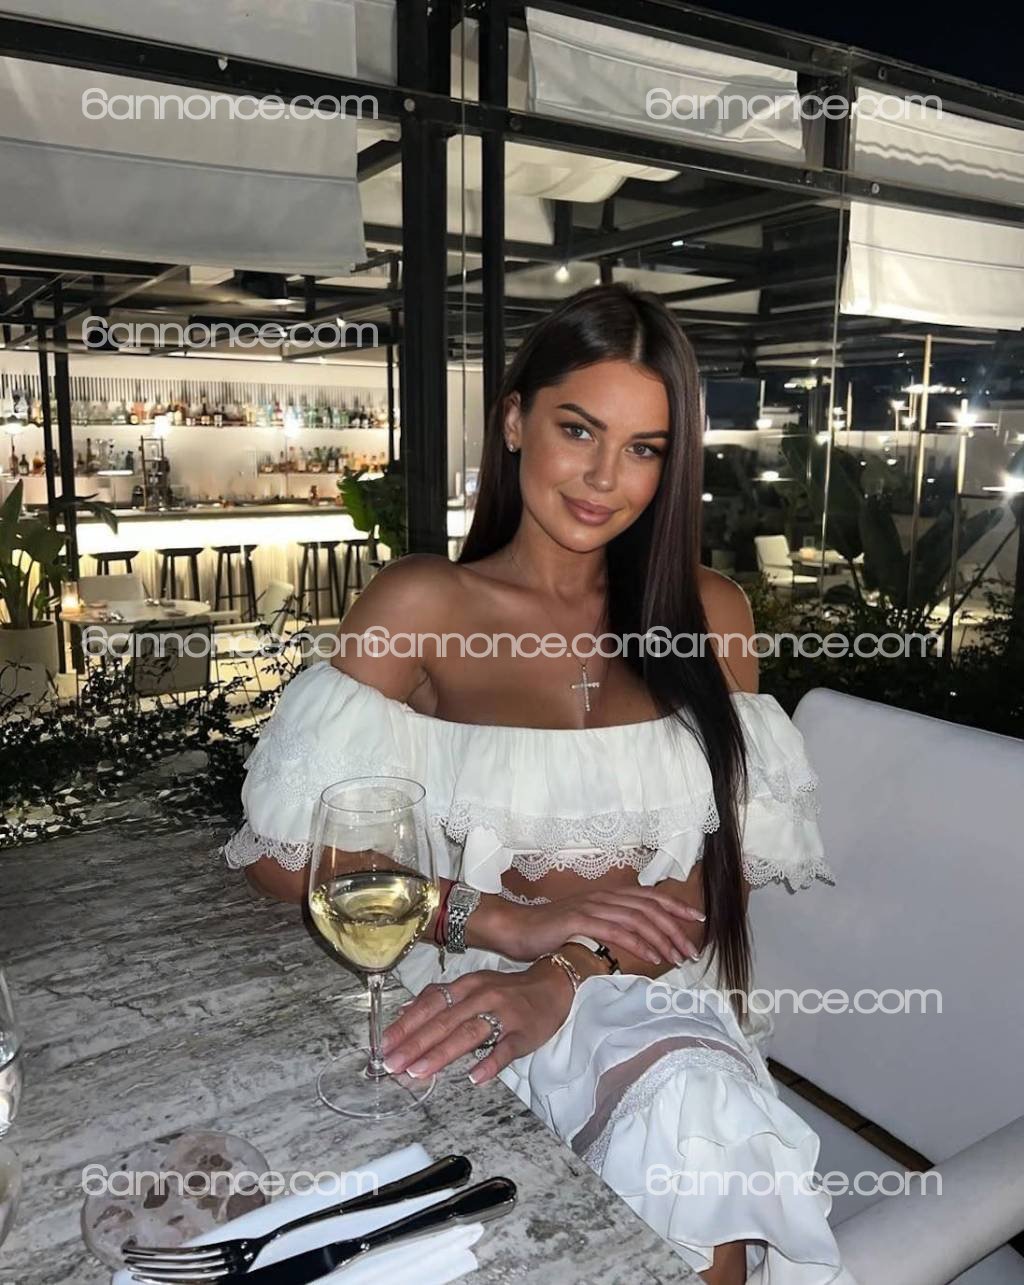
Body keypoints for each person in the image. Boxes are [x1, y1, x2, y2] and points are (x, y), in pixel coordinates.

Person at [223, 283, 850, 1285]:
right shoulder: (424, 603)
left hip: (650, 994)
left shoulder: (710, 614)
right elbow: (287, 857)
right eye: (578, 429)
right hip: (468, 983)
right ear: (515, 420)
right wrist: (500, 924)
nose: (605, 477)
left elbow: (716, 873)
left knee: (689, 1106)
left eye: (644, 448)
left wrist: (558, 977)